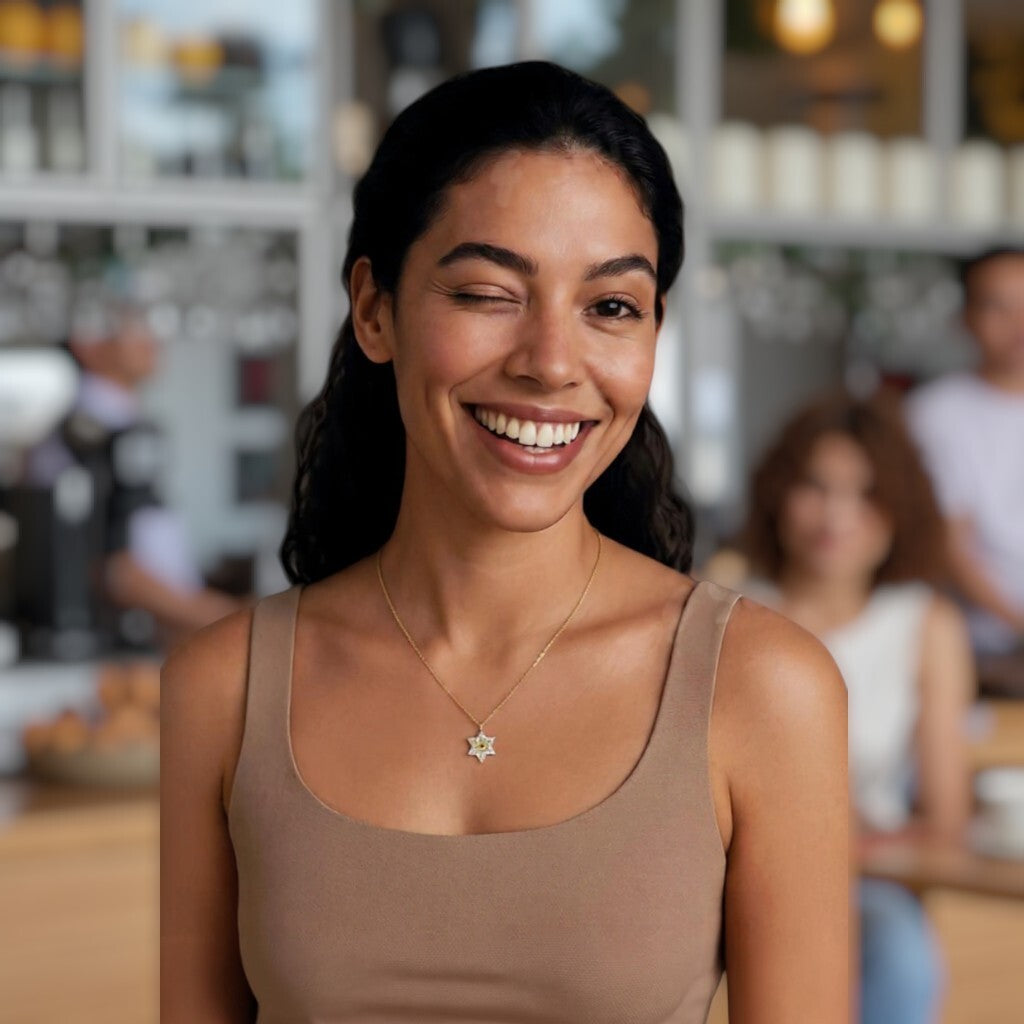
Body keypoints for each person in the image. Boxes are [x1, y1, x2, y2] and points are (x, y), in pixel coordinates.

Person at [160, 61, 849, 1023]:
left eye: (611, 306)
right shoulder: (221, 689)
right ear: (375, 309)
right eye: (489, 292)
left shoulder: (763, 687)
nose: (553, 364)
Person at [735, 387, 974, 1024]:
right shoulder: (723, 602)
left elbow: (945, 817)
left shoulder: (926, 625)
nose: (836, 516)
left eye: (866, 493)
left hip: (869, 884)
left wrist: (845, 853)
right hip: (733, 875)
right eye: (815, 486)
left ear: (899, 509)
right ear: (777, 492)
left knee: (897, 947)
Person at [20, 298, 244, 650]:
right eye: (131, 321)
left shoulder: (118, 423)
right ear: (86, 340)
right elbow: (109, 568)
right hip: (121, 645)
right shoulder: (83, 430)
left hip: (167, 638)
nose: (153, 334)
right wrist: (231, 621)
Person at [904, 246, 1024, 656]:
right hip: (982, 646)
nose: (1018, 325)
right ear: (966, 319)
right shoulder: (935, 414)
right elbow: (950, 543)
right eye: (1000, 307)